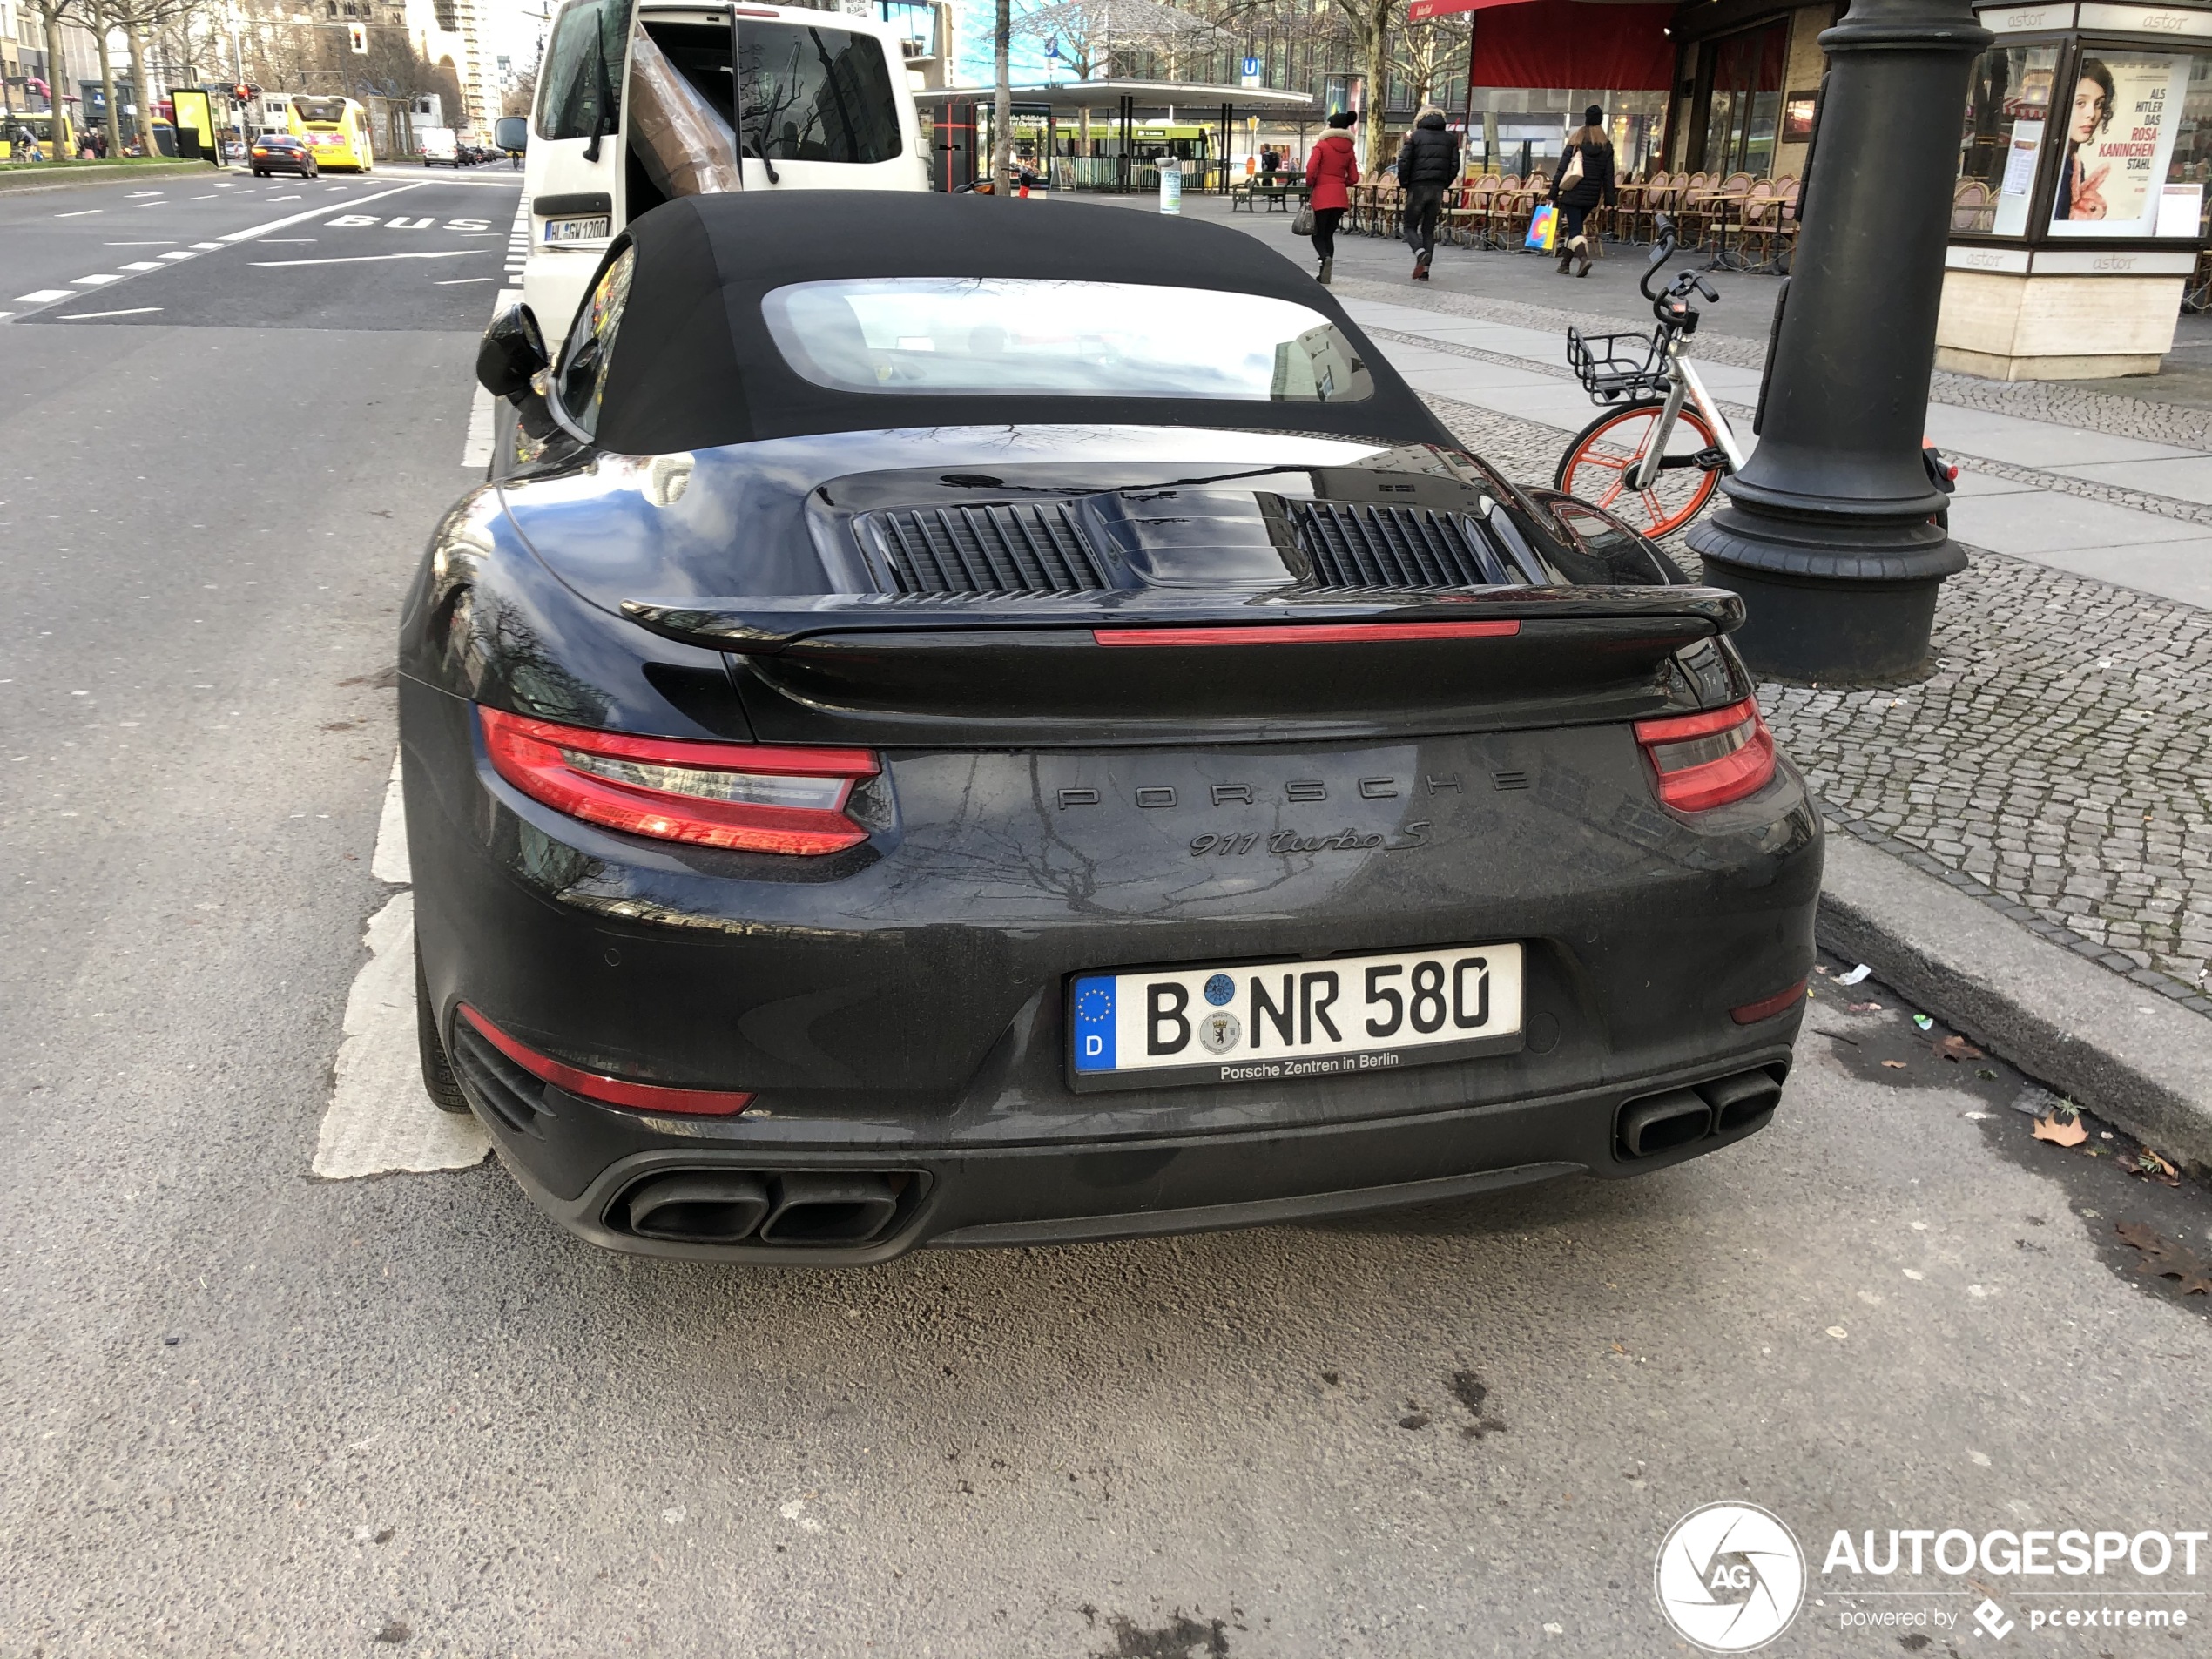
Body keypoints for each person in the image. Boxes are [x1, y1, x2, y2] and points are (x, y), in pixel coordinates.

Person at [1549, 105, 1616, 278]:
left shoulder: (1576, 142)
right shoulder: (1606, 145)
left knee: (1575, 231)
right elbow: (1609, 176)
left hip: (1573, 193)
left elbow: (1562, 169)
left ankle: (1584, 259)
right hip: (1592, 196)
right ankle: (1564, 264)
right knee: (1575, 228)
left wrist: (1552, 194)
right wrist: (1610, 201)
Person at [1394, 105, 1460, 281]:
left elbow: (1404, 162)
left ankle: (1419, 252)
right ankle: (1425, 271)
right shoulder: (1450, 139)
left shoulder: (1414, 137)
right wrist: (1444, 182)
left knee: (1409, 226)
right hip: (1437, 187)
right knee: (1428, 229)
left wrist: (1405, 183)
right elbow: (1455, 165)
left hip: (1417, 186)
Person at [1305, 109, 1359, 287]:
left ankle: (1324, 258)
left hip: (1322, 196)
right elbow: (1354, 178)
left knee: (1317, 235)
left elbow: (1311, 171)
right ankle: (1325, 272)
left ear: (1331, 126)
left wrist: (1311, 183)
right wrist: (1340, 182)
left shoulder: (1321, 145)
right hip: (1340, 197)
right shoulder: (1349, 149)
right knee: (1329, 235)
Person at [2054, 58, 2114, 221]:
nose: (2091, 114)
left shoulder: (2073, 164)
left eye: (2099, 104)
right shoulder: (2057, 165)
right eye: (2081, 103)